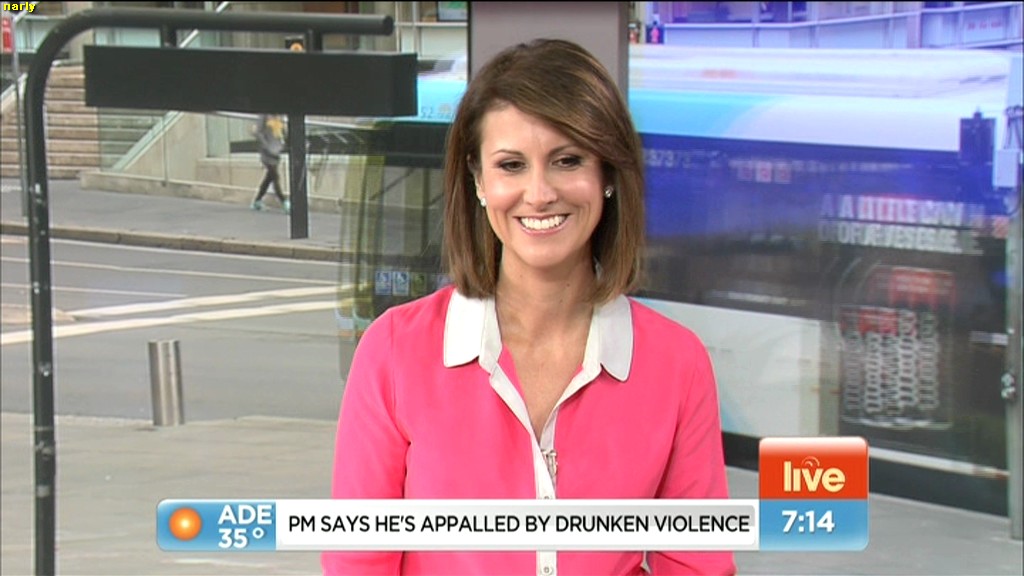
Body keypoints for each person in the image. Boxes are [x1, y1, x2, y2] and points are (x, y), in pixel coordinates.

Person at [323, 38, 735, 576]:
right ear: (478, 181)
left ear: (608, 175)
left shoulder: (677, 363)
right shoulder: (395, 351)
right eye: (511, 165)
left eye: (567, 161)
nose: (539, 193)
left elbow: (697, 562)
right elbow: (358, 561)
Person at [251, 113, 290, 214]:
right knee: (275, 176)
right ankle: (284, 201)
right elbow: (258, 132)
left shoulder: (280, 116)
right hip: (267, 152)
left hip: (277, 152)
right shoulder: (264, 116)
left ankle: (257, 201)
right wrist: (267, 146)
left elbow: (283, 132)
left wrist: (283, 144)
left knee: (269, 178)